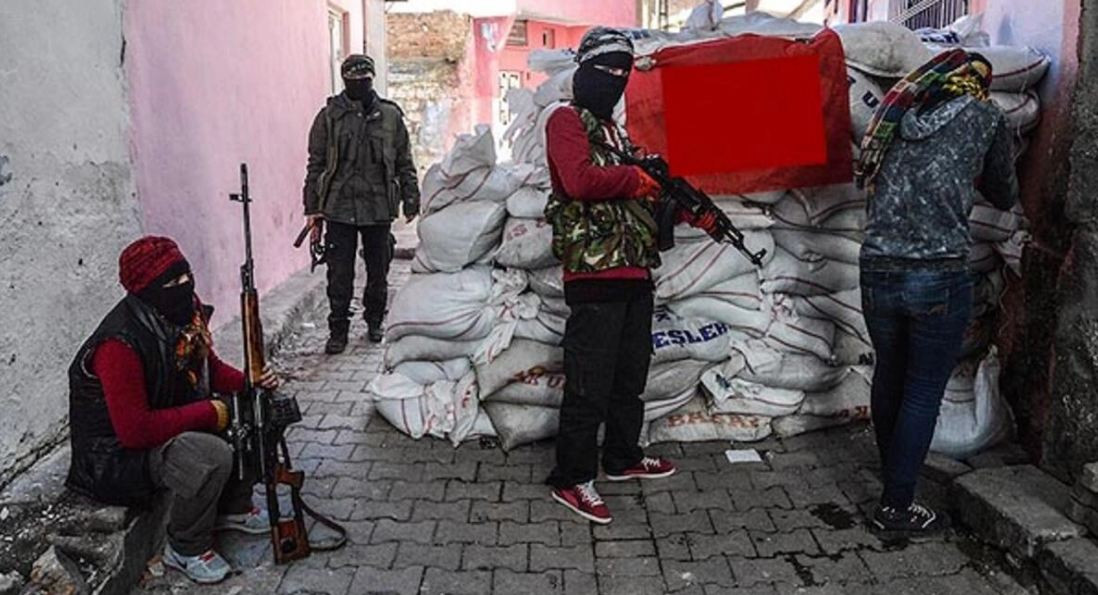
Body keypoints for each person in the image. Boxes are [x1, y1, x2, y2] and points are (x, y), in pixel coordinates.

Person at [543, 27, 718, 524]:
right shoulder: (565, 120)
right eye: (608, 70)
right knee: (588, 384)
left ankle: (621, 458)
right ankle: (572, 478)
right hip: (594, 275)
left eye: (625, 72)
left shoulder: (617, 134)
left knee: (628, 378)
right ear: (584, 72)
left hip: (635, 272)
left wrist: (685, 211)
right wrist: (635, 180)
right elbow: (577, 180)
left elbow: (647, 194)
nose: (617, 79)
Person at [855, 49, 1018, 536]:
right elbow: (1003, 192)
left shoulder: (897, 111)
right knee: (924, 389)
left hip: (877, 267)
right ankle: (897, 506)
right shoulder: (986, 115)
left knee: (890, 373)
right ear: (977, 84)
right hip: (937, 273)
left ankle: (894, 477)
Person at [65, 236, 281, 584]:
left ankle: (233, 507)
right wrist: (209, 413)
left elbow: (209, 367)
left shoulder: (183, 312)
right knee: (210, 454)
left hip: (160, 419)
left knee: (249, 410)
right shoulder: (118, 344)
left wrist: (250, 382)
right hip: (113, 458)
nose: (184, 287)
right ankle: (185, 547)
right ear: (146, 289)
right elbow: (135, 431)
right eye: (171, 282)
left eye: (186, 277)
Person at [303, 54, 420, 353]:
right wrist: (312, 209)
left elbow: (404, 160)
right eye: (353, 82)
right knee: (339, 274)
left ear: (372, 79)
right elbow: (315, 165)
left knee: (378, 270)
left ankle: (374, 320)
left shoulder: (391, 116)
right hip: (339, 207)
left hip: (378, 206)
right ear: (345, 81)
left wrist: (411, 198)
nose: (359, 86)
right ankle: (338, 329)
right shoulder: (328, 116)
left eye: (364, 81)